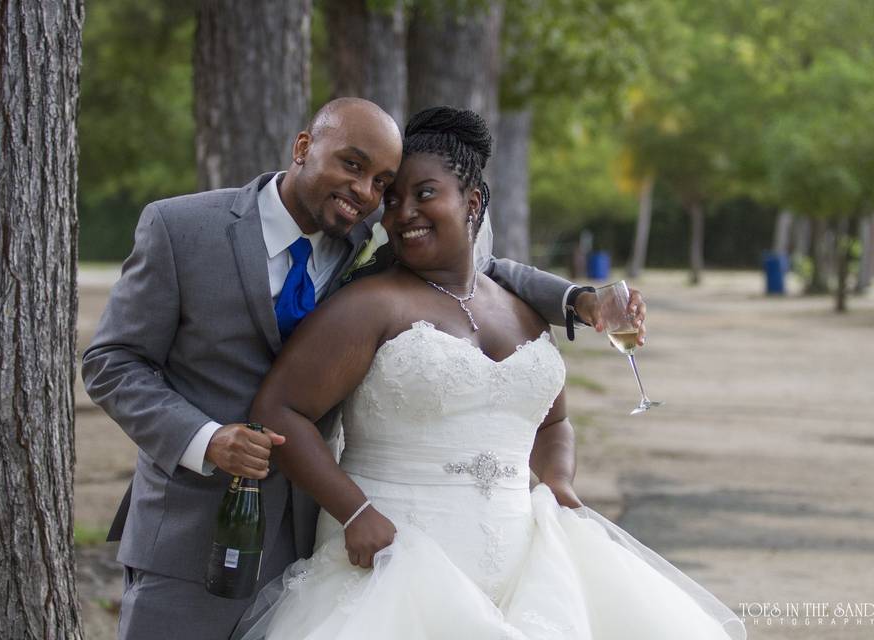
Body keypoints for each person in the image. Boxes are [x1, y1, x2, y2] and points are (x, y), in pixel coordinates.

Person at [82, 98, 647, 639]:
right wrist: (205, 439)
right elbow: (111, 361)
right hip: (196, 526)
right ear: (304, 146)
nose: (366, 193)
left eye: (381, 182)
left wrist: (580, 300)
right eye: (352, 166)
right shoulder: (182, 228)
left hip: (309, 534)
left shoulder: (363, 242)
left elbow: (481, 267)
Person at [230, 107, 746, 640]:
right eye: (393, 199)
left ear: (472, 201)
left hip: (522, 566)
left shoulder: (522, 308)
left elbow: (552, 424)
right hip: (394, 562)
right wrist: (355, 511)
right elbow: (278, 409)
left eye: (424, 194)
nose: (403, 212)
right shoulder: (368, 304)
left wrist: (558, 481)